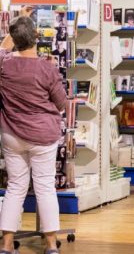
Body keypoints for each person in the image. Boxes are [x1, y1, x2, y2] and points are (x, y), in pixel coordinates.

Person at [0, 13, 66, 254]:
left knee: (15, 187)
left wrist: (12, 33)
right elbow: (60, 103)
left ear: (14, 39)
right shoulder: (46, 68)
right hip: (42, 135)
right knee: (45, 187)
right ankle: (50, 245)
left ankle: (6, 244)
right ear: (37, 37)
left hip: (12, 134)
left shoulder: (4, 64)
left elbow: (2, 49)